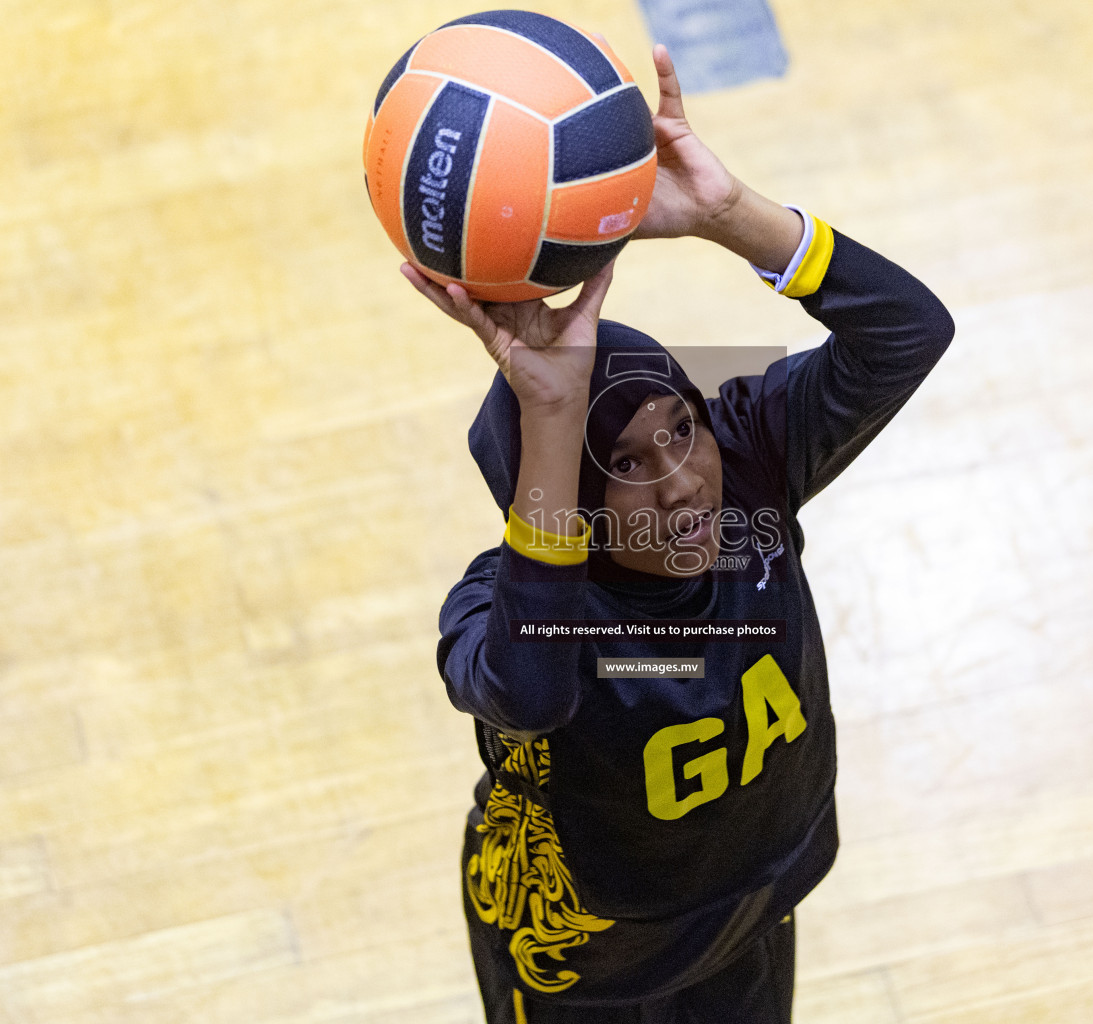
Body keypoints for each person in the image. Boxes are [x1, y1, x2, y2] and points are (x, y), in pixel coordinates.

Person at [401, 44, 954, 1024]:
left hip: (746, 905)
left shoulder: (747, 466)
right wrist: (553, 413)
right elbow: (528, 693)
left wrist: (727, 216)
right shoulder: (499, 606)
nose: (683, 481)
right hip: (581, 951)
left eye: (681, 430)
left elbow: (911, 331)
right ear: (568, 505)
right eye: (627, 464)